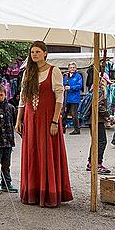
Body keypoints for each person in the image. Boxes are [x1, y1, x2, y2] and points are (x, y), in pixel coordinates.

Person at [16, 41, 72, 208]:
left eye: (38, 51)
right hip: (30, 118)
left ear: (45, 53)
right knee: (32, 153)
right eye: (32, 52)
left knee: (47, 152)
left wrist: (55, 120)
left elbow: (59, 98)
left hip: (47, 118)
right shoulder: (28, 73)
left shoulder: (54, 71)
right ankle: (33, 191)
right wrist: (18, 120)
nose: (34, 54)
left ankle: (49, 192)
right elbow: (22, 97)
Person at [86, 80, 111, 173]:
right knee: (101, 141)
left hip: (93, 119)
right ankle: (97, 163)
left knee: (95, 141)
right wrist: (107, 115)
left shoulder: (93, 90)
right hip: (96, 119)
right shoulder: (100, 91)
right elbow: (99, 106)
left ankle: (91, 163)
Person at [63, 62, 83, 135]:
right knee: (64, 113)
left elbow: (80, 86)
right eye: (71, 67)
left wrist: (71, 87)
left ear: (76, 68)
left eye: (73, 67)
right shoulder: (66, 76)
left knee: (74, 115)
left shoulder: (78, 76)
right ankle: (62, 129)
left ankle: (77, 130)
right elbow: (63, 84)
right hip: (66, 98)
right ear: (68, 68)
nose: (72, 69)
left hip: (74, 98)